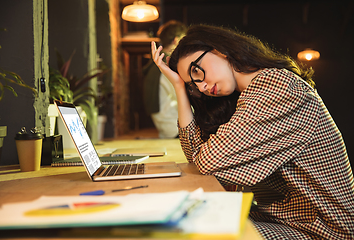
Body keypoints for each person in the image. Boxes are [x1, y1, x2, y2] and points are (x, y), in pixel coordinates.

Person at [151, 24, 354, 239]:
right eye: (193, 84)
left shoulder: (276, 86)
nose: (200, 87)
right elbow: (195, 158)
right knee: (184, 225)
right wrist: (180, 88)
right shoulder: (246, 97)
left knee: (194, 233)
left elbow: (207, 162)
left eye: (196, 71)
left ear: (219, 50)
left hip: (325, 230)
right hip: (285, 219)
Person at [143, 20, 187, 138]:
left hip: (164, 127)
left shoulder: (155, 64)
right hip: (174, 128)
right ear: (176, 40)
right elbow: (182, 97)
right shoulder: (167, 66)